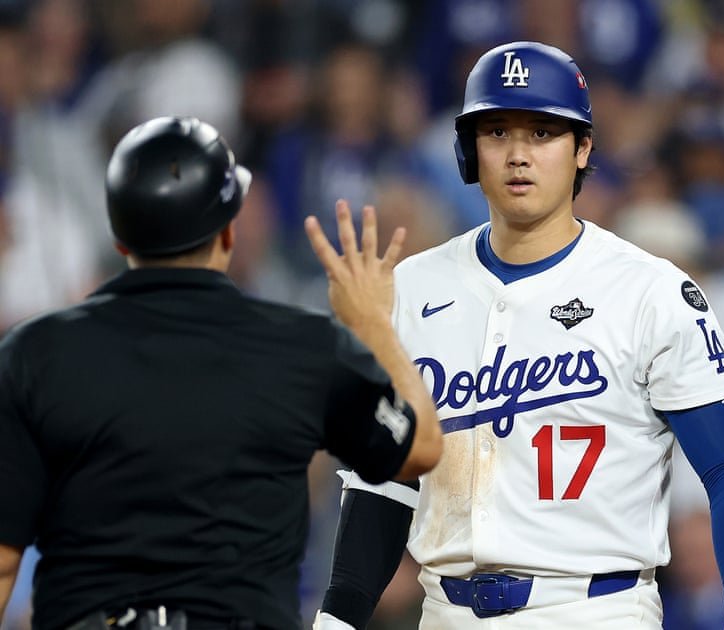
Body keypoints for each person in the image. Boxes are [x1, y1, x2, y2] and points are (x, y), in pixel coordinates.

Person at [314, 41, 724, 630]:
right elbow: (386, 481)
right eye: (497, 132)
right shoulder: (411, 288)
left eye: (543, 133)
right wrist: (339, 616)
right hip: (446, 612)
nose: (518, 155)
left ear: (582, 149)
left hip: (596, 610)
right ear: (469, 151)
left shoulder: (651, 292)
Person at [0, 116, 443, 629]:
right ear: (228, 232)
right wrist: (374, 324)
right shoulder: (302, 347)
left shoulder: (35, 354)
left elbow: (4, 560)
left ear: (120, 237)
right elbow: (420, 449)